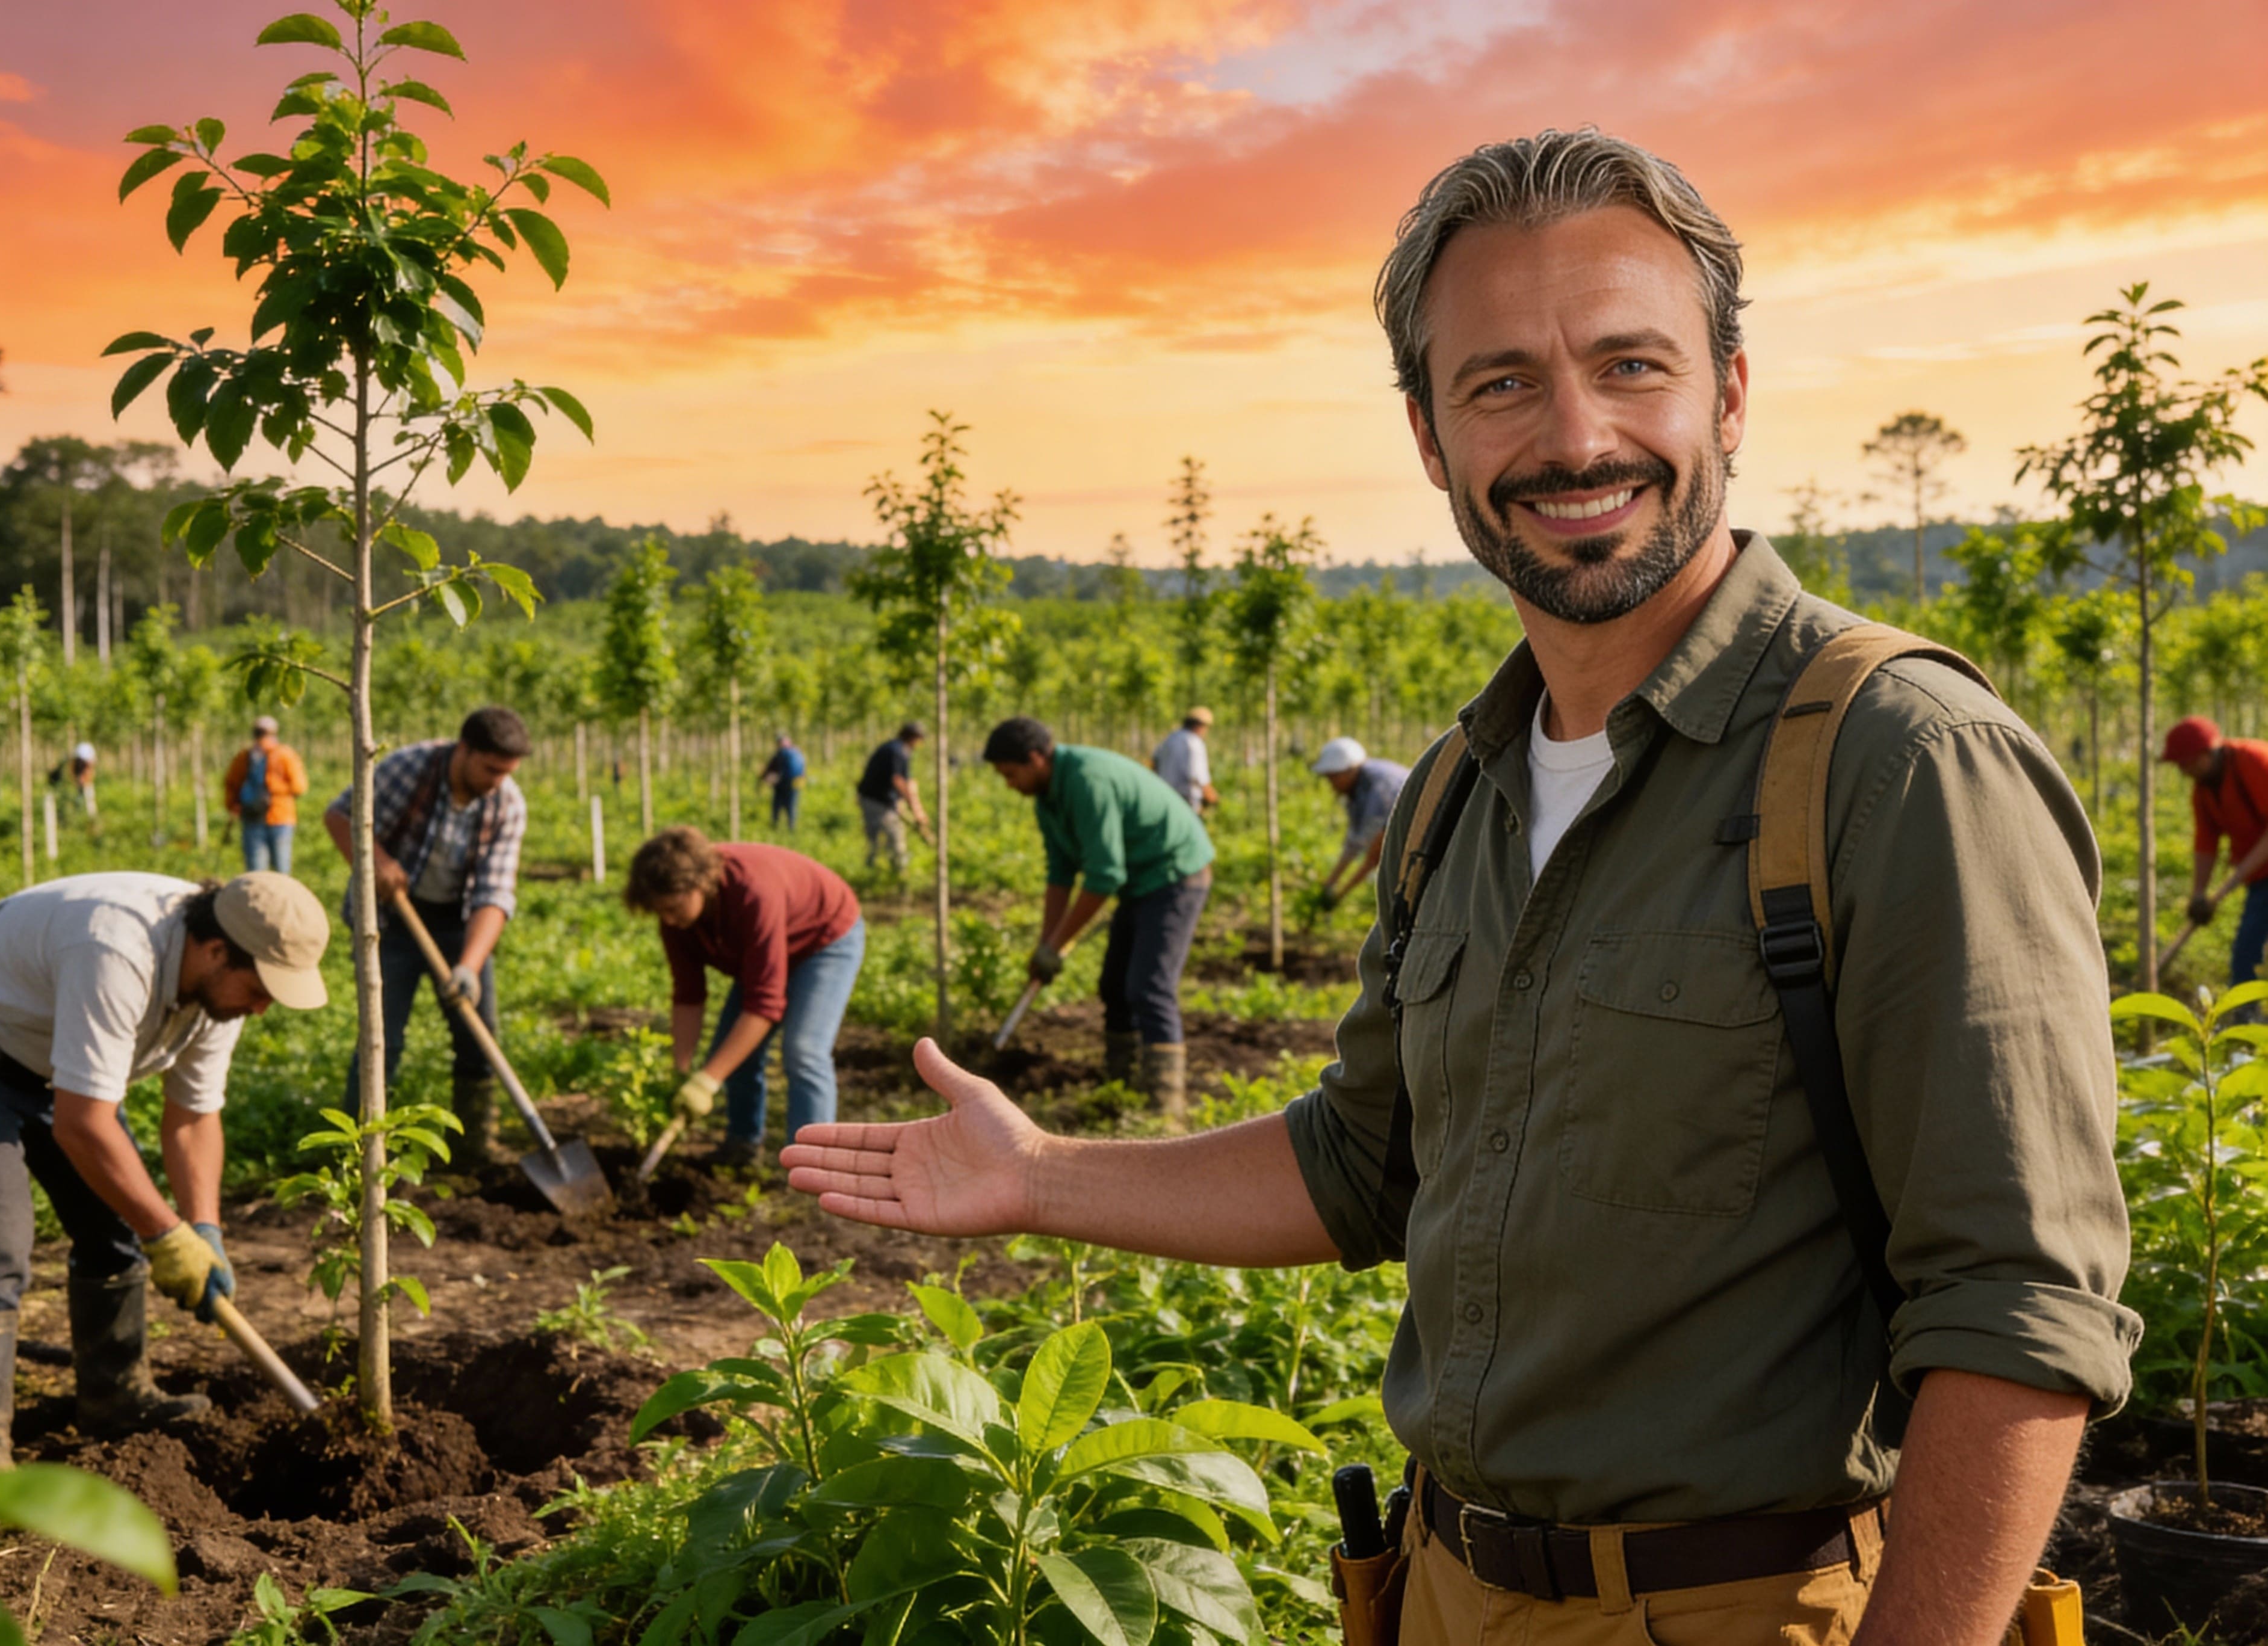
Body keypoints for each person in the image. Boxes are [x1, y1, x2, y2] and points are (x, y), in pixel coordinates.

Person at [787, 130, 2135, 1646]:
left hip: (1748, 1605)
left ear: (1730, 393)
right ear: (1430, 433)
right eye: (1499, 381)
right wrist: (1043, 1174)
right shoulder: (1453, 795)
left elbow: (2020, 1306)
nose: (1575, 436)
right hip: (1440, 1589)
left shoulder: (1896, 762)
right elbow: (1368, 1159)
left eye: (1632, 365)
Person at [0, 871, 330, 1467]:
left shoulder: (218, 992)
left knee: (115, 1225)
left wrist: (202, 1230)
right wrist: (165, 1235)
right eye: (261, 988)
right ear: (217, 950)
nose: (264, 1007)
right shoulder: (116, 948)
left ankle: (115, 1396)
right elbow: (82, 1124)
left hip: (48, 1059)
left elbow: (194, 1119)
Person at [325, 705, 530, 1171]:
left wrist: (469, 967)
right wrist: (376, 861)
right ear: (465, 750)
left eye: (508, 772)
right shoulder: (408, 768)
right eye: (491, 769)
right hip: (389, 919)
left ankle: (476, 1146)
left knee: (479, 1037)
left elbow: (495, 894)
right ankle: (358, 1152)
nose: (498, 780)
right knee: (382, 1039)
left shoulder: (507, 804)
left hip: (459, 924)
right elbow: (340, 816)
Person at [983, 716, 1214, 1111]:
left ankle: (1164, 1107)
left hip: (1176, 874)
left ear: (1036, 759)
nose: (1009, 784)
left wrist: (1059, 944)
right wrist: (1046, 944)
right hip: (1138, 880)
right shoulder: (1047, 799)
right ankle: (1120, 1086)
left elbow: (1104, 877)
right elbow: (1060, 874)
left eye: (1010, 774)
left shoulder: (1087, 782)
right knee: (1113, 985)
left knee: (1149, 987)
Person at [627, 826, 866, 1171]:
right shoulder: (678, 921)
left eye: (673, 908)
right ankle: (742, 1145)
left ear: (698, 885)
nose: (668, 919)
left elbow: (764, 1006)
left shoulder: (752, 893)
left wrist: (708, 1080)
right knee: (730, 1052)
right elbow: (688, 996)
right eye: (659, 911)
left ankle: (814, 1169)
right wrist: (681, 1073)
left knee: (804, 1052)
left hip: (823, 940)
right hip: (766, 950)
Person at [2162, 715, 2268, 988]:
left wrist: (2231, 882)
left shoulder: (2254, 761)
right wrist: (2199, 894)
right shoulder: (2203, 792)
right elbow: (2206, 844)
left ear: (2205, 753)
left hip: (2258, 870)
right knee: (2246, 951)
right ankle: (2248, 1018)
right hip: (2262, 877)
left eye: (2185, 763)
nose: (2183, 772)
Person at [1307, 738, 1408, 913]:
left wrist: (1341, 895)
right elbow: (1355, 842)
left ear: (1349, 771)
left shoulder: (1379, 790)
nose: (1331, 784)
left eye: (1333, 777)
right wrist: (1331, 882)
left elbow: (1375, 854)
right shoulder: (1358, 789)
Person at [224, 715, 311, 875]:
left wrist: (234, 806)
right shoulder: (285, 755)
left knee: (256, 873)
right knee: (282, 871)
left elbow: (231, 784)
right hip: (281, 817)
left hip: (251, 817)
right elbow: (300, 787)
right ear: (275, 733)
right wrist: (278, 792)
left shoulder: (244, 756)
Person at [856, 721, 930, 871]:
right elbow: (899, 781)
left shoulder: (898, 749)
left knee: (882, 835)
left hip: (881, 799)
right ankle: (895, 871)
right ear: (913, 738)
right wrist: (916, 810)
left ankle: (881, 868)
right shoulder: (897, 752)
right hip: (875, 800)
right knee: (890, 835)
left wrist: (904, 803)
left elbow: (907, 781)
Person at [1151, 707, 1220, 814]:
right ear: (1200, 726)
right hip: (1187, 800)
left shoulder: (1170, 739)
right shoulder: (1194, 743)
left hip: (1165, 796)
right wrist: (1212, 796)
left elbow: (1154, 763)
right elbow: (1198, 776)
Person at [759, 733, 808, 833]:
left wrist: (763, 778)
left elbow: (770, 768)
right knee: (792, 806)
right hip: (796, 783)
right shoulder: (798, 752)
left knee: (777, 805)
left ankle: (775, 827)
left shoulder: (780, 754)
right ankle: (791, 828)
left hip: (781, 784)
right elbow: (803, 770)